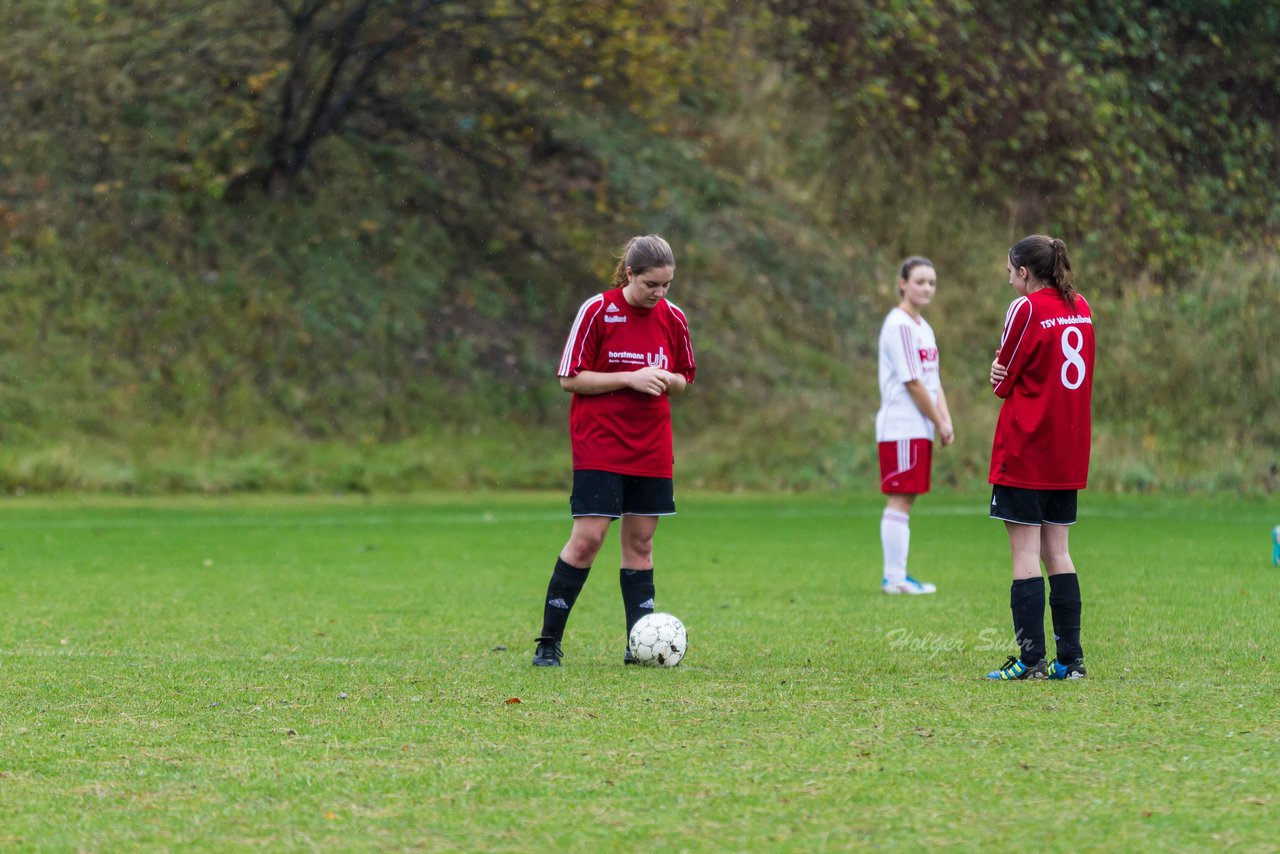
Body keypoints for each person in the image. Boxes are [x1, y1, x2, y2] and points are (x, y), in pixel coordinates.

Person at [532, 235, 696, 667]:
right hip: (600, 443)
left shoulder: (673, 317)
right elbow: (570, 378)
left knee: (640, 544)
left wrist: (665, 379)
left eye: (666, 285)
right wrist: (630, 378)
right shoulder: (597, 311)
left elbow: (683, 378)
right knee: (588, 539)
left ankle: (637, 644)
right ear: (630, 274)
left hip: (652, 445)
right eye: (651, 285)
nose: (659, 294)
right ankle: (549, 641)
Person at [984, 235, 1095, 680]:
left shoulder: (1025, 308)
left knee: (1025, 555)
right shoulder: (1081, 307)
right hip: (1067, 452)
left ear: (1024, 273)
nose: (1009, 279)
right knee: (1059, 554)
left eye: (1010, 271)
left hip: (1027, 447)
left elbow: (1003, 379)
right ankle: (1069, 660)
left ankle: (1029, 659)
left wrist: (998, 376)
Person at [874, 256, 954, 594]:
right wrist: (938, 421)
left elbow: (931, 380)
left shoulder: (924, 328)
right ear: (903, 283)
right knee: (900, 499)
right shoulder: (899, 325)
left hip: (919, 427)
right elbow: (912, 382)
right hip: (903, 425)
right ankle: (894, 578)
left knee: (907, 499)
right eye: (920, 281)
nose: (926, 288)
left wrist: (944, 420)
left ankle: (897, 576)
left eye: (932, 283)